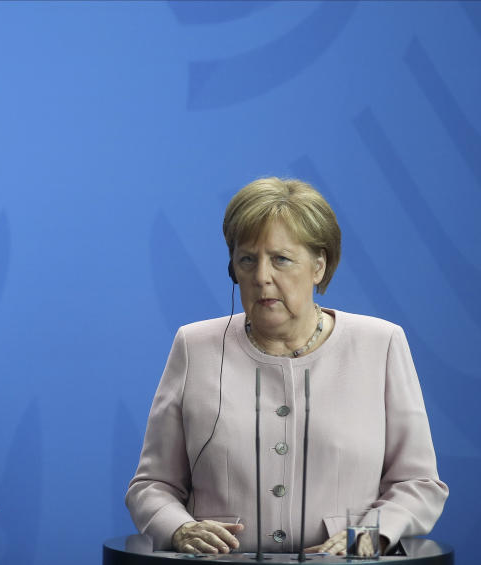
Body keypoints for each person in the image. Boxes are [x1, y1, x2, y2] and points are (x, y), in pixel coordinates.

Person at [126, 177, 447, 555]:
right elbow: (151, 485)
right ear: (233, 270)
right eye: (248, 260)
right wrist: (179, 528)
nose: (262, 276)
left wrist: (374, 534)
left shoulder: (381, 344)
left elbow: (419, 483)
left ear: (319, 266)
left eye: (281, 259)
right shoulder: (194, 346)